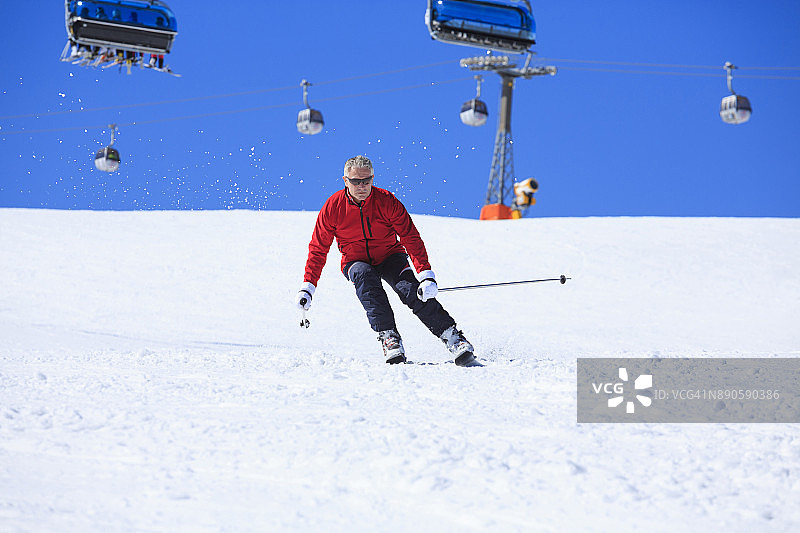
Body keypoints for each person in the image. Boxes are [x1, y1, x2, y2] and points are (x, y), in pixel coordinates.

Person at [295, 155, 479, 366]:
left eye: (366, 181)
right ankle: (389, 337)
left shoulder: (386, 201)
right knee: (366, 280)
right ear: (345, 180)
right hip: (355, 260)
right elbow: (318, 248)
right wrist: (308, 288)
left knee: (410, 290)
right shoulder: (333, 207)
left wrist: (426, 275)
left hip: (390, 256)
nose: (362, 186)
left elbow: (410, 236)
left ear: (373, 178)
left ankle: (453, 337)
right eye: (356, 181)